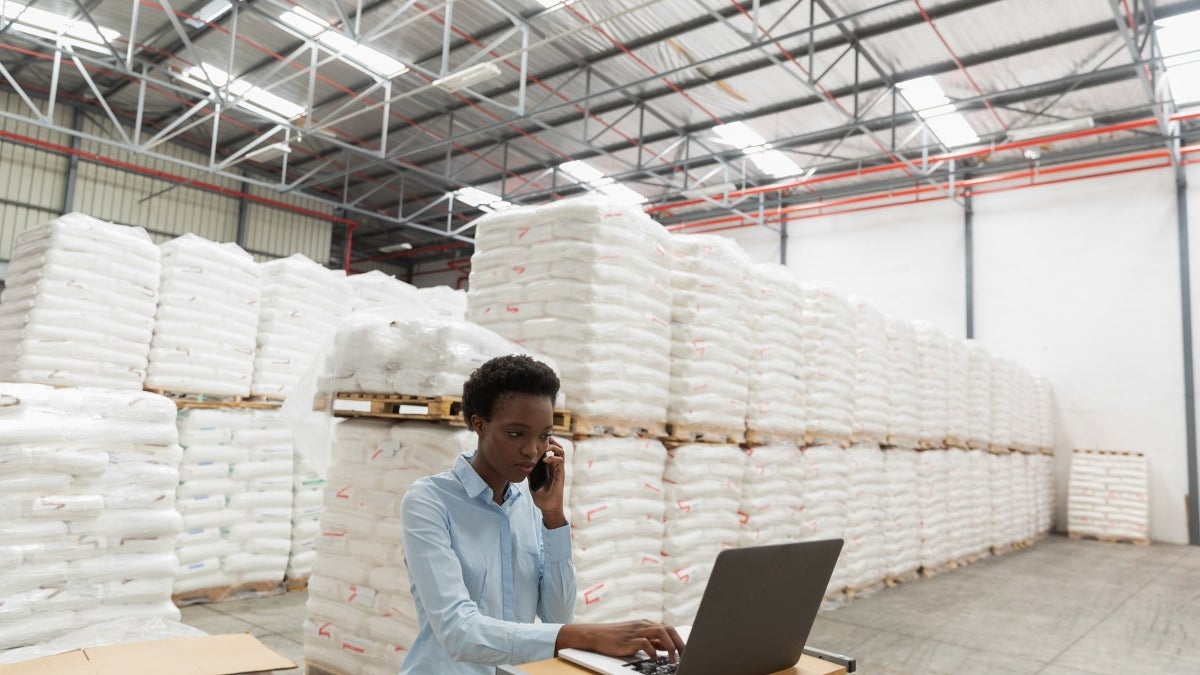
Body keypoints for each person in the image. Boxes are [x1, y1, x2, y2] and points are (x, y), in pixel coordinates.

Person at [399, 354, 685, 674]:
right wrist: (591, 636)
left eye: (543, 434)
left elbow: (557, 617)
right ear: (479, 425)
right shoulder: (429, 501)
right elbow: (458, 631)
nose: (532, 450)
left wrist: (552, 518)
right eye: (516, 433)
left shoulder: (528, 500)